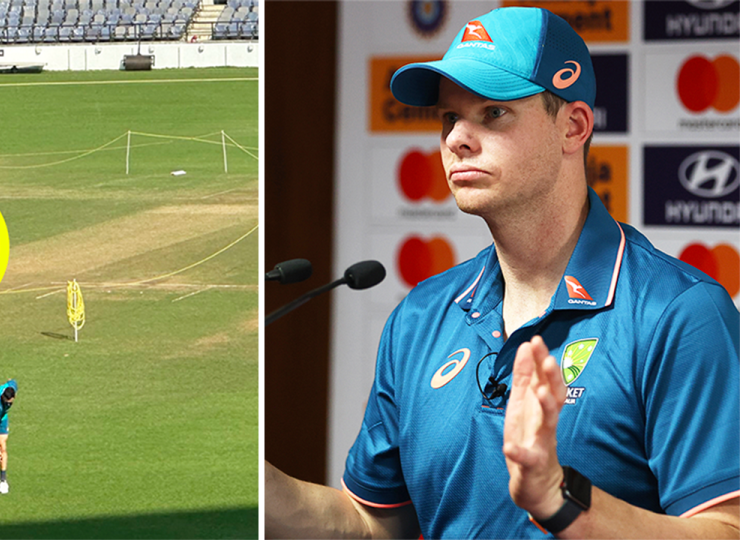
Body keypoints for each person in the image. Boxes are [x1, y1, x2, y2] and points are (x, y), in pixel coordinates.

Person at [265, 7, 739, 539]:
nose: (456, 140)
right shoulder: (421, 315)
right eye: (449, 118)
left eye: (493, 113)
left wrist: (562, 498)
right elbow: (374, 525)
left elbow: (724, 529)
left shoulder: (679, 313)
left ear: (573, 127)